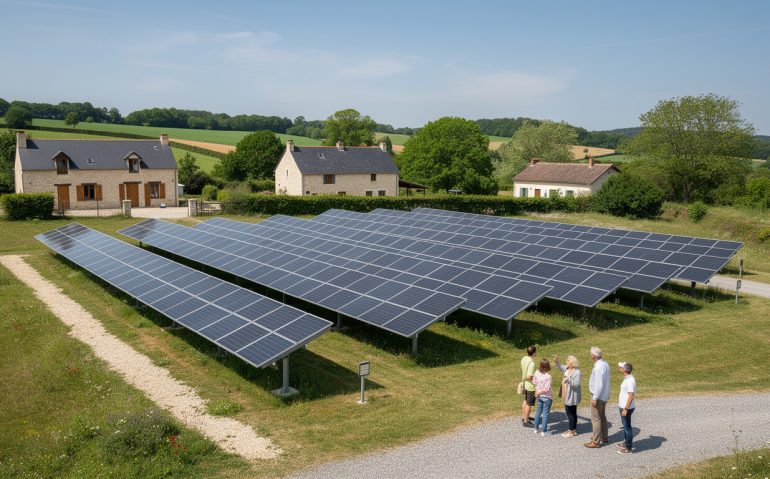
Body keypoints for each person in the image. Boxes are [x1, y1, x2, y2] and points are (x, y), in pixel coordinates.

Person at [584, 346, 610, 449]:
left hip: (598, 395)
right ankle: (604, 436)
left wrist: (595, 397)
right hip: (604, 395)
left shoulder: (598, 367)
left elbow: (598, 384)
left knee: (596, 418)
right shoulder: (605, 364)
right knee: (602, 416)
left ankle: (595, 441)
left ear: (593, 356)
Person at [554, 354, 582, 438]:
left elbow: (576, 385)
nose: (566, 362)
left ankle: (571, 431)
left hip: (572, 395)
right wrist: (557, 361)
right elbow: (560, 367)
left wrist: (568, 379)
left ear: (572, 363)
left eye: (568, 361)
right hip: (566, 392)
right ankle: (573, 430)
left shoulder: (577, 372)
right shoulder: (567, 368)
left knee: (570, 413)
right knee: (572, 413)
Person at [616, 362, 636, 454]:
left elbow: (631, 396)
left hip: (626, 408)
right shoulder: (627, 378)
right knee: (625, 426)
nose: (619, 368)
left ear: (625, 370)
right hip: (623, 406)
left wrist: (625, 409)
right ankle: (625, 443)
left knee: (627, 427)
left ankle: (628, 448)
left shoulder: (630, 381)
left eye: (621, 367)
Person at [532, 359, 553, 436]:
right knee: (545, 414)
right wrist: (539, 392)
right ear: (547, 367)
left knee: (538, 412)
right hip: (547, 397)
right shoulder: (548, 376)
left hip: (539, 396)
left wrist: (537, 392)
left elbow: (535, 382)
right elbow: (547, 389)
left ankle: (536, 429)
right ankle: (544, 431)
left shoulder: (537, 372)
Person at [520, 346, 537, 428]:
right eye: (536, 352)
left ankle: (524, 417)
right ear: (533, 353)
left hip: (525, 384)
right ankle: (526, 422)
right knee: (529, 404)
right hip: (530, 386)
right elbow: (530, 376)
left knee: (525, 400)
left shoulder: (524, 358)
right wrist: (537, 378)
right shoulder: (532, 363)